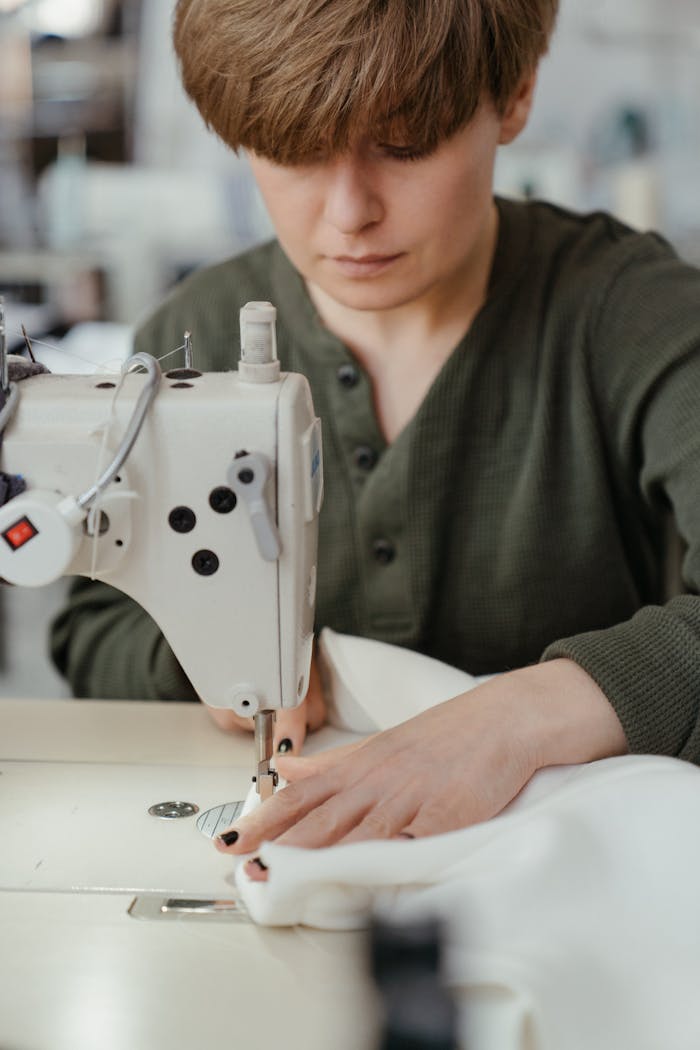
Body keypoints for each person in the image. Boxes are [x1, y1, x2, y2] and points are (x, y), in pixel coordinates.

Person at [51, 0, 700, 875]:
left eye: (404, 146)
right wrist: (208, 661)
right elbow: (93, 624)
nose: (350, 212)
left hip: (587, 873)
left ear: (513, 97)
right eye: (292, 150)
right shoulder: (190, 335)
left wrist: (517, 719)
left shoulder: (634, 314)